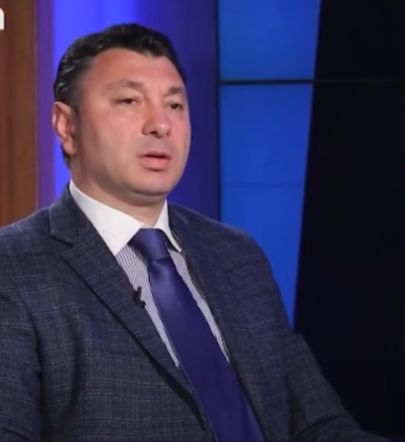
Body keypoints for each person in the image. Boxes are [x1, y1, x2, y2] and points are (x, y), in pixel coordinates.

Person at [0, 23, 381, 441]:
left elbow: (318, 424)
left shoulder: (237, 255)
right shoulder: (15, 269)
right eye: (129, 101)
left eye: (175, 105)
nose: (160, 125)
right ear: (66, 126)